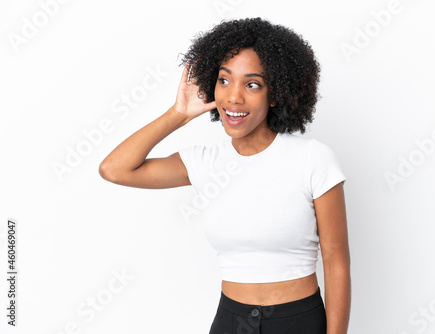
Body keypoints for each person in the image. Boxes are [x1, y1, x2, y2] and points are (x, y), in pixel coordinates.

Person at [99, 17, 350, 334]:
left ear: (275, 94)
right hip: (230, 321)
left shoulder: (312, 159)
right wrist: (177, 114)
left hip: (297, 321)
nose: (234, 97)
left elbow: (336, 261)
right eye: (224, 80)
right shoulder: (206, 162)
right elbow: (114, 169)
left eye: (252, 84)